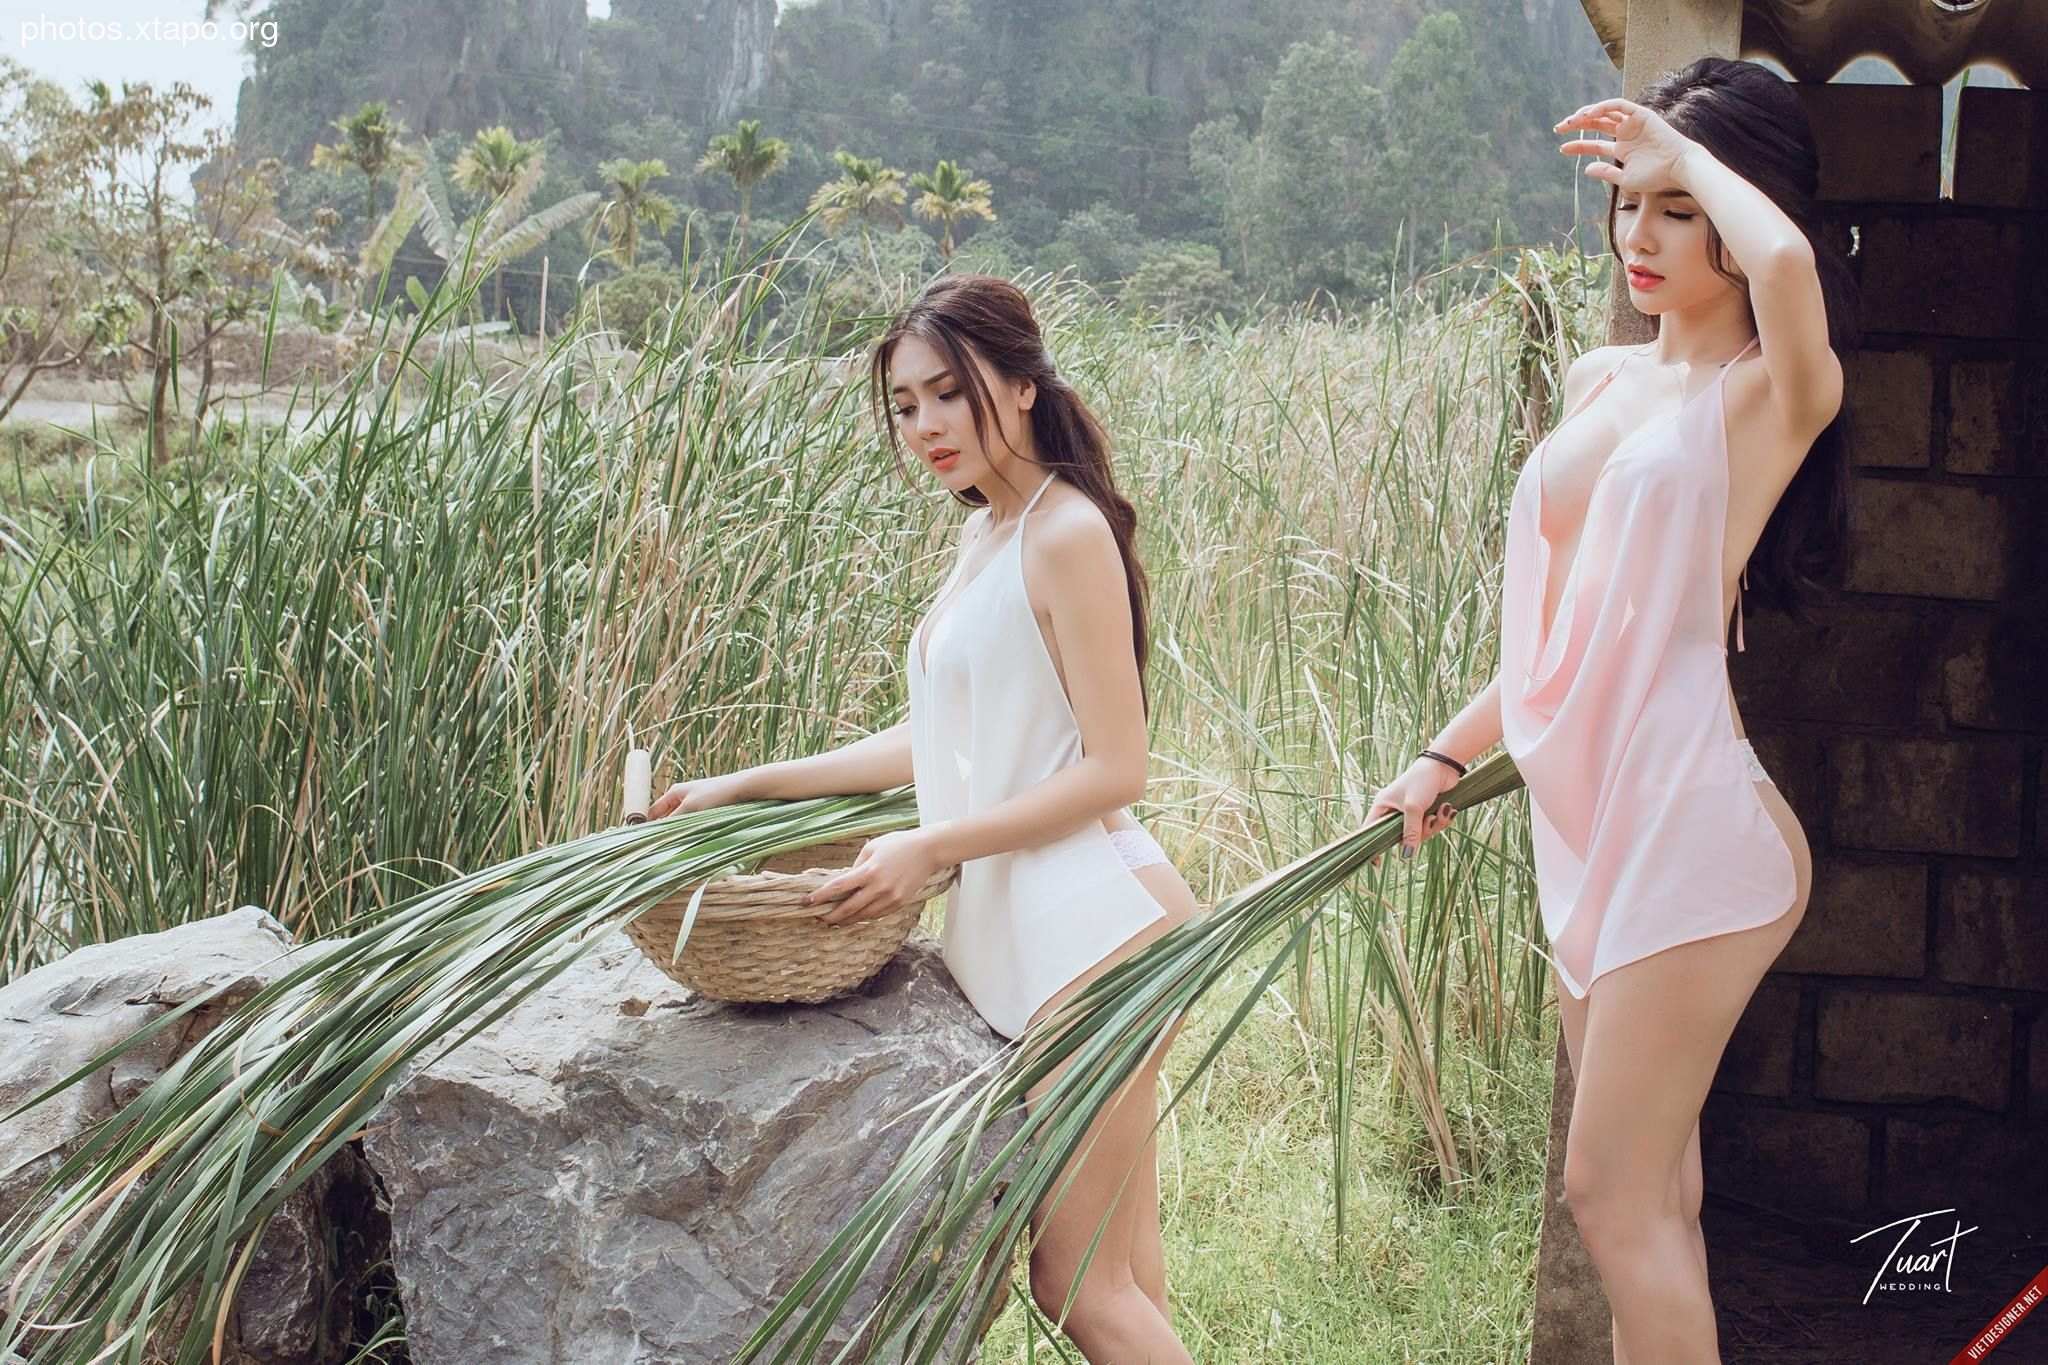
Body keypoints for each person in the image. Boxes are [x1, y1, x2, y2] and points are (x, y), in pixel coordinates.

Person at [1365, 58, 1858, 1364]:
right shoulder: (1601, 380)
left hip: (1698, 831)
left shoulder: (1769, 392)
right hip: (1599, 839)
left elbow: (1794, 269)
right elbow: (1564, 644)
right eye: (1627, 201)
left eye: (1676, 208)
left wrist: (1690, 152)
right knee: (1657, 1204)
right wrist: (1441, 754)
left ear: (1734, 209)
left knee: (1609, 1192)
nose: (1639, 234)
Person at [648, 273, 1200, 1362]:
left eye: (948, 393)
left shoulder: (1063, 533)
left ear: (1023, 381)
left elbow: (1115, 766)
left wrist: (929, 848)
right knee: (1124, 1276)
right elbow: (944, 740)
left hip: (1095, 934)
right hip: (1039, 931)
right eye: (904, 405)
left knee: (1076, 1288)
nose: (925, 426)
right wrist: (744, 783)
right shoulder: (987, 537)